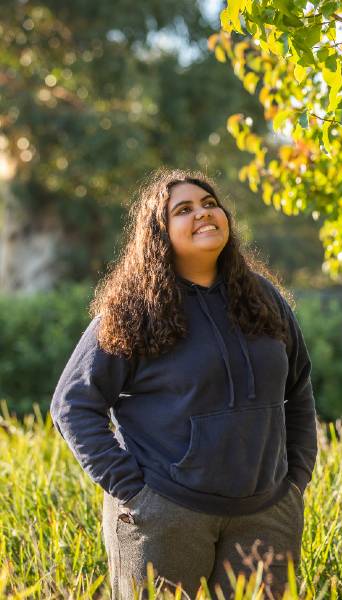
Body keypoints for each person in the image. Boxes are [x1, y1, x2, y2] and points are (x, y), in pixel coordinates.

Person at [49, 167, 318, 600]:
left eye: (210, 204)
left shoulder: (264, 298)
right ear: (159, 231)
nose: (203, 214)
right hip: (166, 515)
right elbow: (73, 403)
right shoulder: (134, 310)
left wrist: (297, 477)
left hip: (266, 515)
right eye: (184, 209)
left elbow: (299, 387)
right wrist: (133, 491)